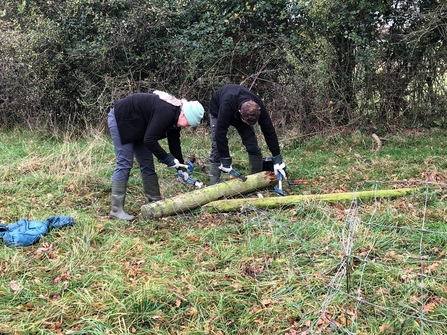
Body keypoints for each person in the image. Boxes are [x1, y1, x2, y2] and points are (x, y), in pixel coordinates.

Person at [108, 91, 205, 221]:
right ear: (184, 114)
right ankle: (116, 210)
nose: (187, 127)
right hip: (122, 118)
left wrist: (181, 170)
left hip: (139, 126)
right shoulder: (167, 111)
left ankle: (155, 202)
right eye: (188, 124)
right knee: (125, 163)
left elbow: (175, 145)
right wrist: (167, 159)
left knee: (147, 163)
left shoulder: (175, 119)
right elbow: (149, 140)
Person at [208, 84, 286, 185]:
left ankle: (257, 180)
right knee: (216, 147)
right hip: (218, 110)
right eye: (247, 122)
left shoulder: (258, 105)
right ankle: (213, 185)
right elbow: (220, 133)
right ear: (240, 112)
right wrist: (225, 160)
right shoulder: (227, 104)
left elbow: (269, 130)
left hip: (240, 114)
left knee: (252, 144)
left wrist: (277, 159)